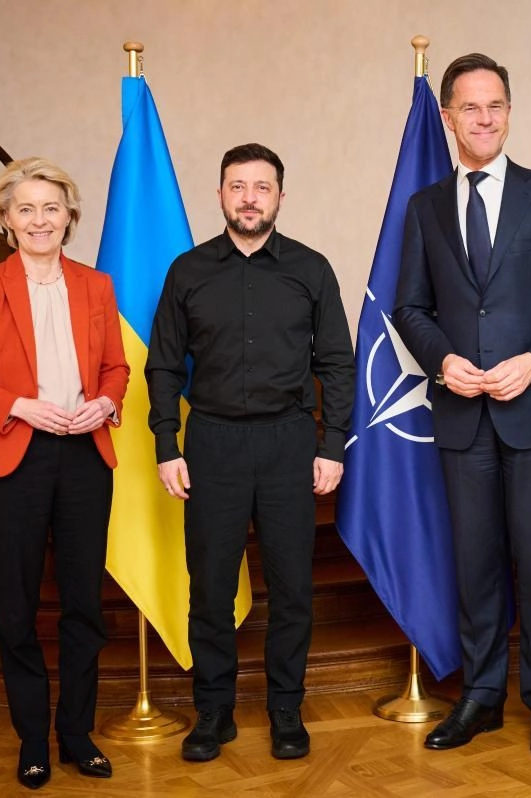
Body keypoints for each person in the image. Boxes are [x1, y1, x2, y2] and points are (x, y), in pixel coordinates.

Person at [393, 53, 531, 757]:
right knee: (476, 566)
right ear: (449, 118)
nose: (483, 119)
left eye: (495, 106)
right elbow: (411, 306)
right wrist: (443, 361)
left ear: (508, 113)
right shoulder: (424, 207)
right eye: (469, 108)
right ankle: (482, 698)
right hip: (461, 418)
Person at [146, 143, 355, 763]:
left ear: (280, 197)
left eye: (262, 187)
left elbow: (337, 363)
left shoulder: (311, 269)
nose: (249, 198)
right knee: (209, 587)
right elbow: (161, 366)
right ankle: (213, 713)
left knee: (292, 587)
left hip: (290, 442)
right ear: (220, 195)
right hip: (210, 442)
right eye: (237, 186)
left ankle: (286, 708)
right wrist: (166, 443)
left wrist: (332, 444)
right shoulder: (187, 271)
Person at [0, 157, 129, 790]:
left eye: (52, 207)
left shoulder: (96, 286)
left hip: (84, 457)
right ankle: (32, 740)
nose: (40, 219)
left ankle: (77, 733)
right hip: (12, 456)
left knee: (84, 606)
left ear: (69, 217)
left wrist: (106, 402)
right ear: (6, 219)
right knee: (18, 610)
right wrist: (20, 405)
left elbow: (116, 370)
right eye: (26, 208)